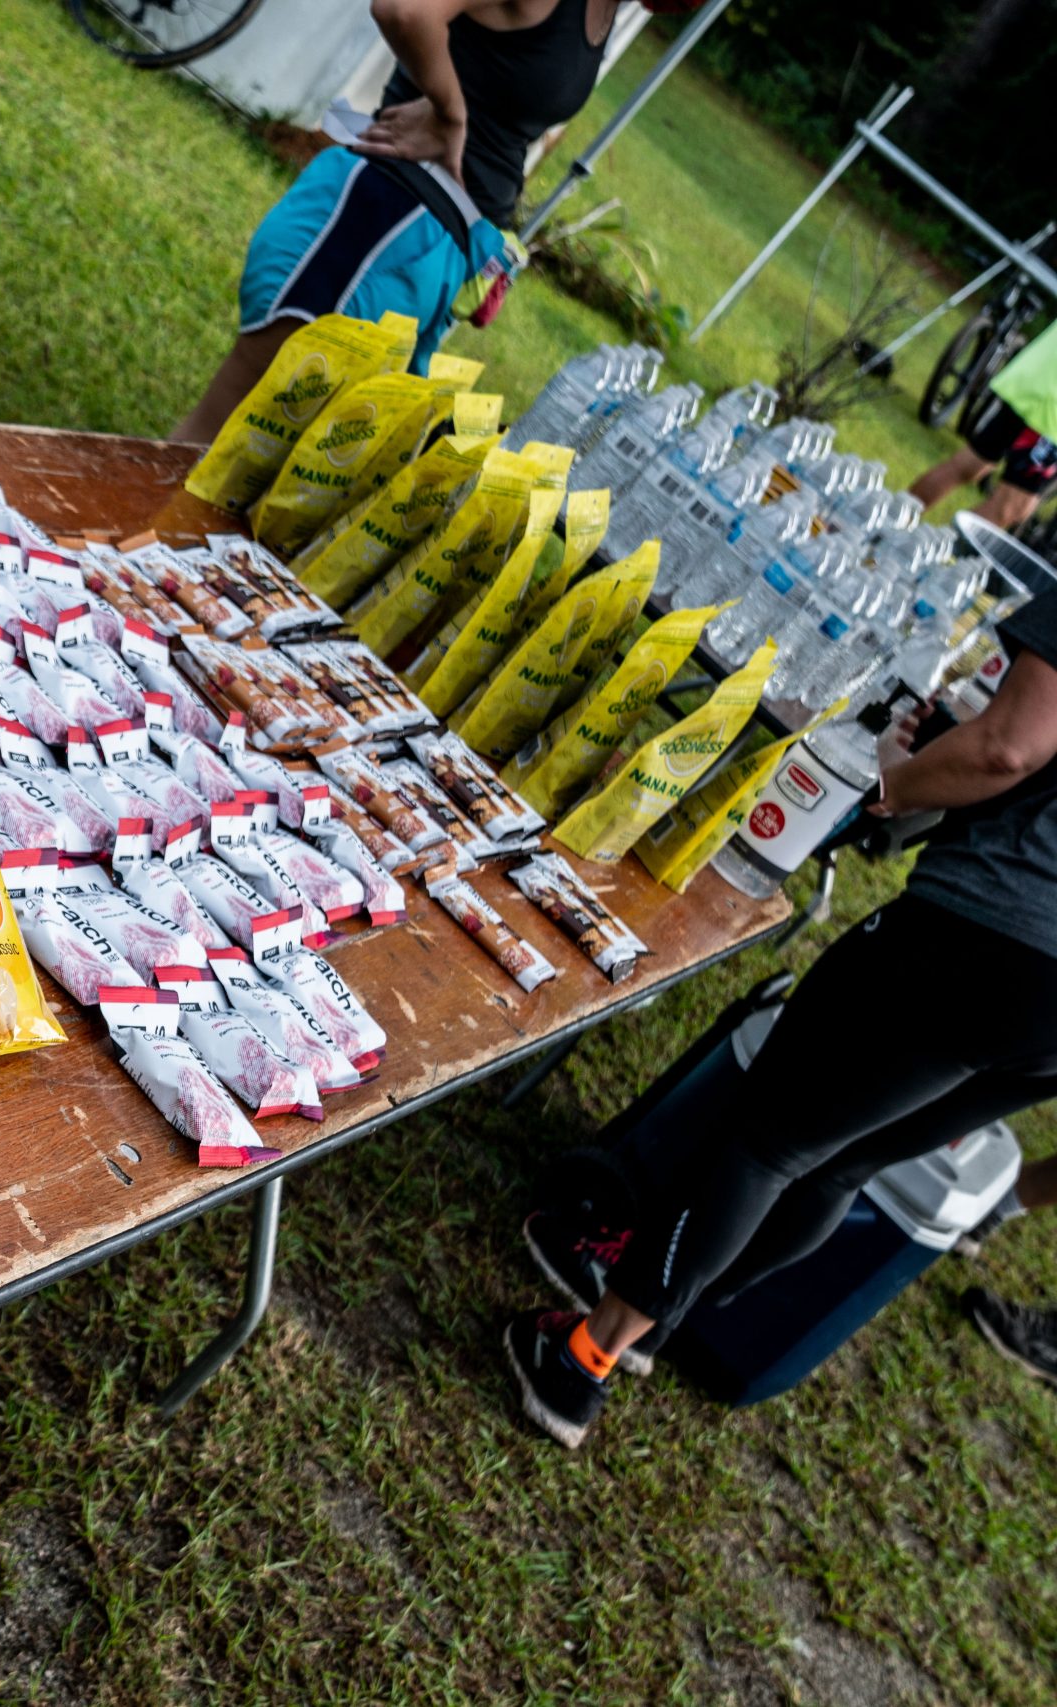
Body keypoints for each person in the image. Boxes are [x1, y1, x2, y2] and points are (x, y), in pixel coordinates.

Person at [505, 575, 1057, 1448]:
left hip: (994, 936)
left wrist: (895, 784)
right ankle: (655, 1318)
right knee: (841, 1161)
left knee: (767, 1141)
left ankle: (584, 1357)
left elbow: (1010, 748)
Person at [173, 0, 643, 446]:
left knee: (295, 465)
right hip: (374, 227)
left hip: (438, 253)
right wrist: (449, 114)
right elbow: (405, 9)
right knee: (222, 433)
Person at [910, 319, 1057, 533]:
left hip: (1034, 380)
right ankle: (926, 549)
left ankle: (884, 526)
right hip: (1050, 419)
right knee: (1012, 506)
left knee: (970, 463)